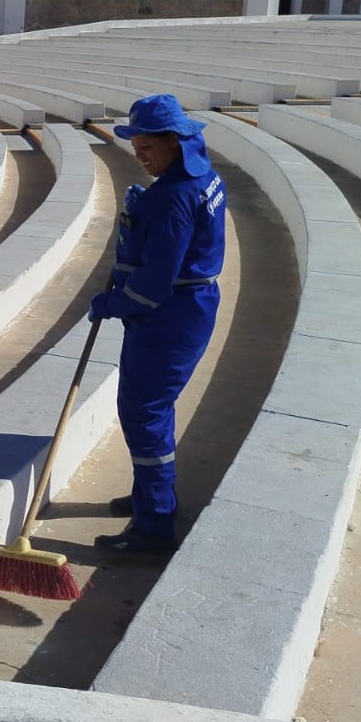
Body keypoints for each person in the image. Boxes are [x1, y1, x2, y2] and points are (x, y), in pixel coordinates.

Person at [87, 94, 226, 554]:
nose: (138, 155)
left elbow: (152, 286)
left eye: (147, 147)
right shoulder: (199, 177)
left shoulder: (172, 199)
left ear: (175, 141)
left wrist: (113, 303)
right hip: (188, 307)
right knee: (152, 410)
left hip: (171, 316)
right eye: (135, 146)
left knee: (145, 414)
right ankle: (151, 497)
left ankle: (153, 528)